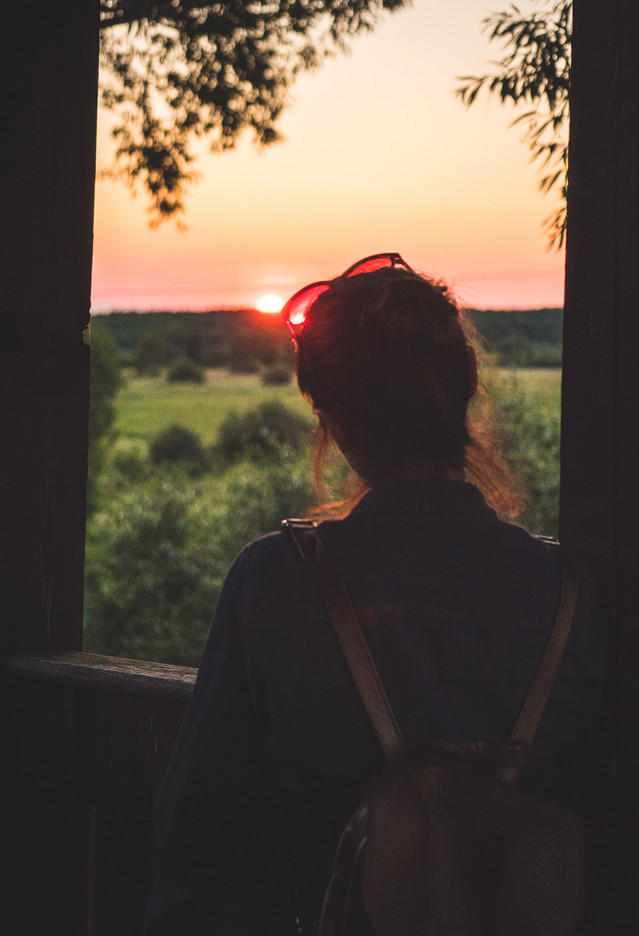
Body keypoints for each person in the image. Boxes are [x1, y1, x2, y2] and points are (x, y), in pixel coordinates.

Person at [143, 254, 605, 935]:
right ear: (465, 391)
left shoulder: (274, 584)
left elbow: (198, 846)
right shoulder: (570, 594)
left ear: (335, 419)